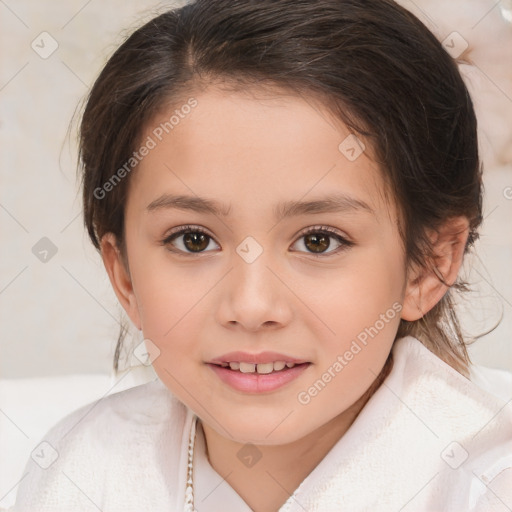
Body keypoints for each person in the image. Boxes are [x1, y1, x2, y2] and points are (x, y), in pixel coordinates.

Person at [11, 0, 512, 510]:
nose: (251, 307)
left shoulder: (485, 490)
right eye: (194, 240)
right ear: (125, 276)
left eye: (319, 240)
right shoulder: (77, 473)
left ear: (429, 264)